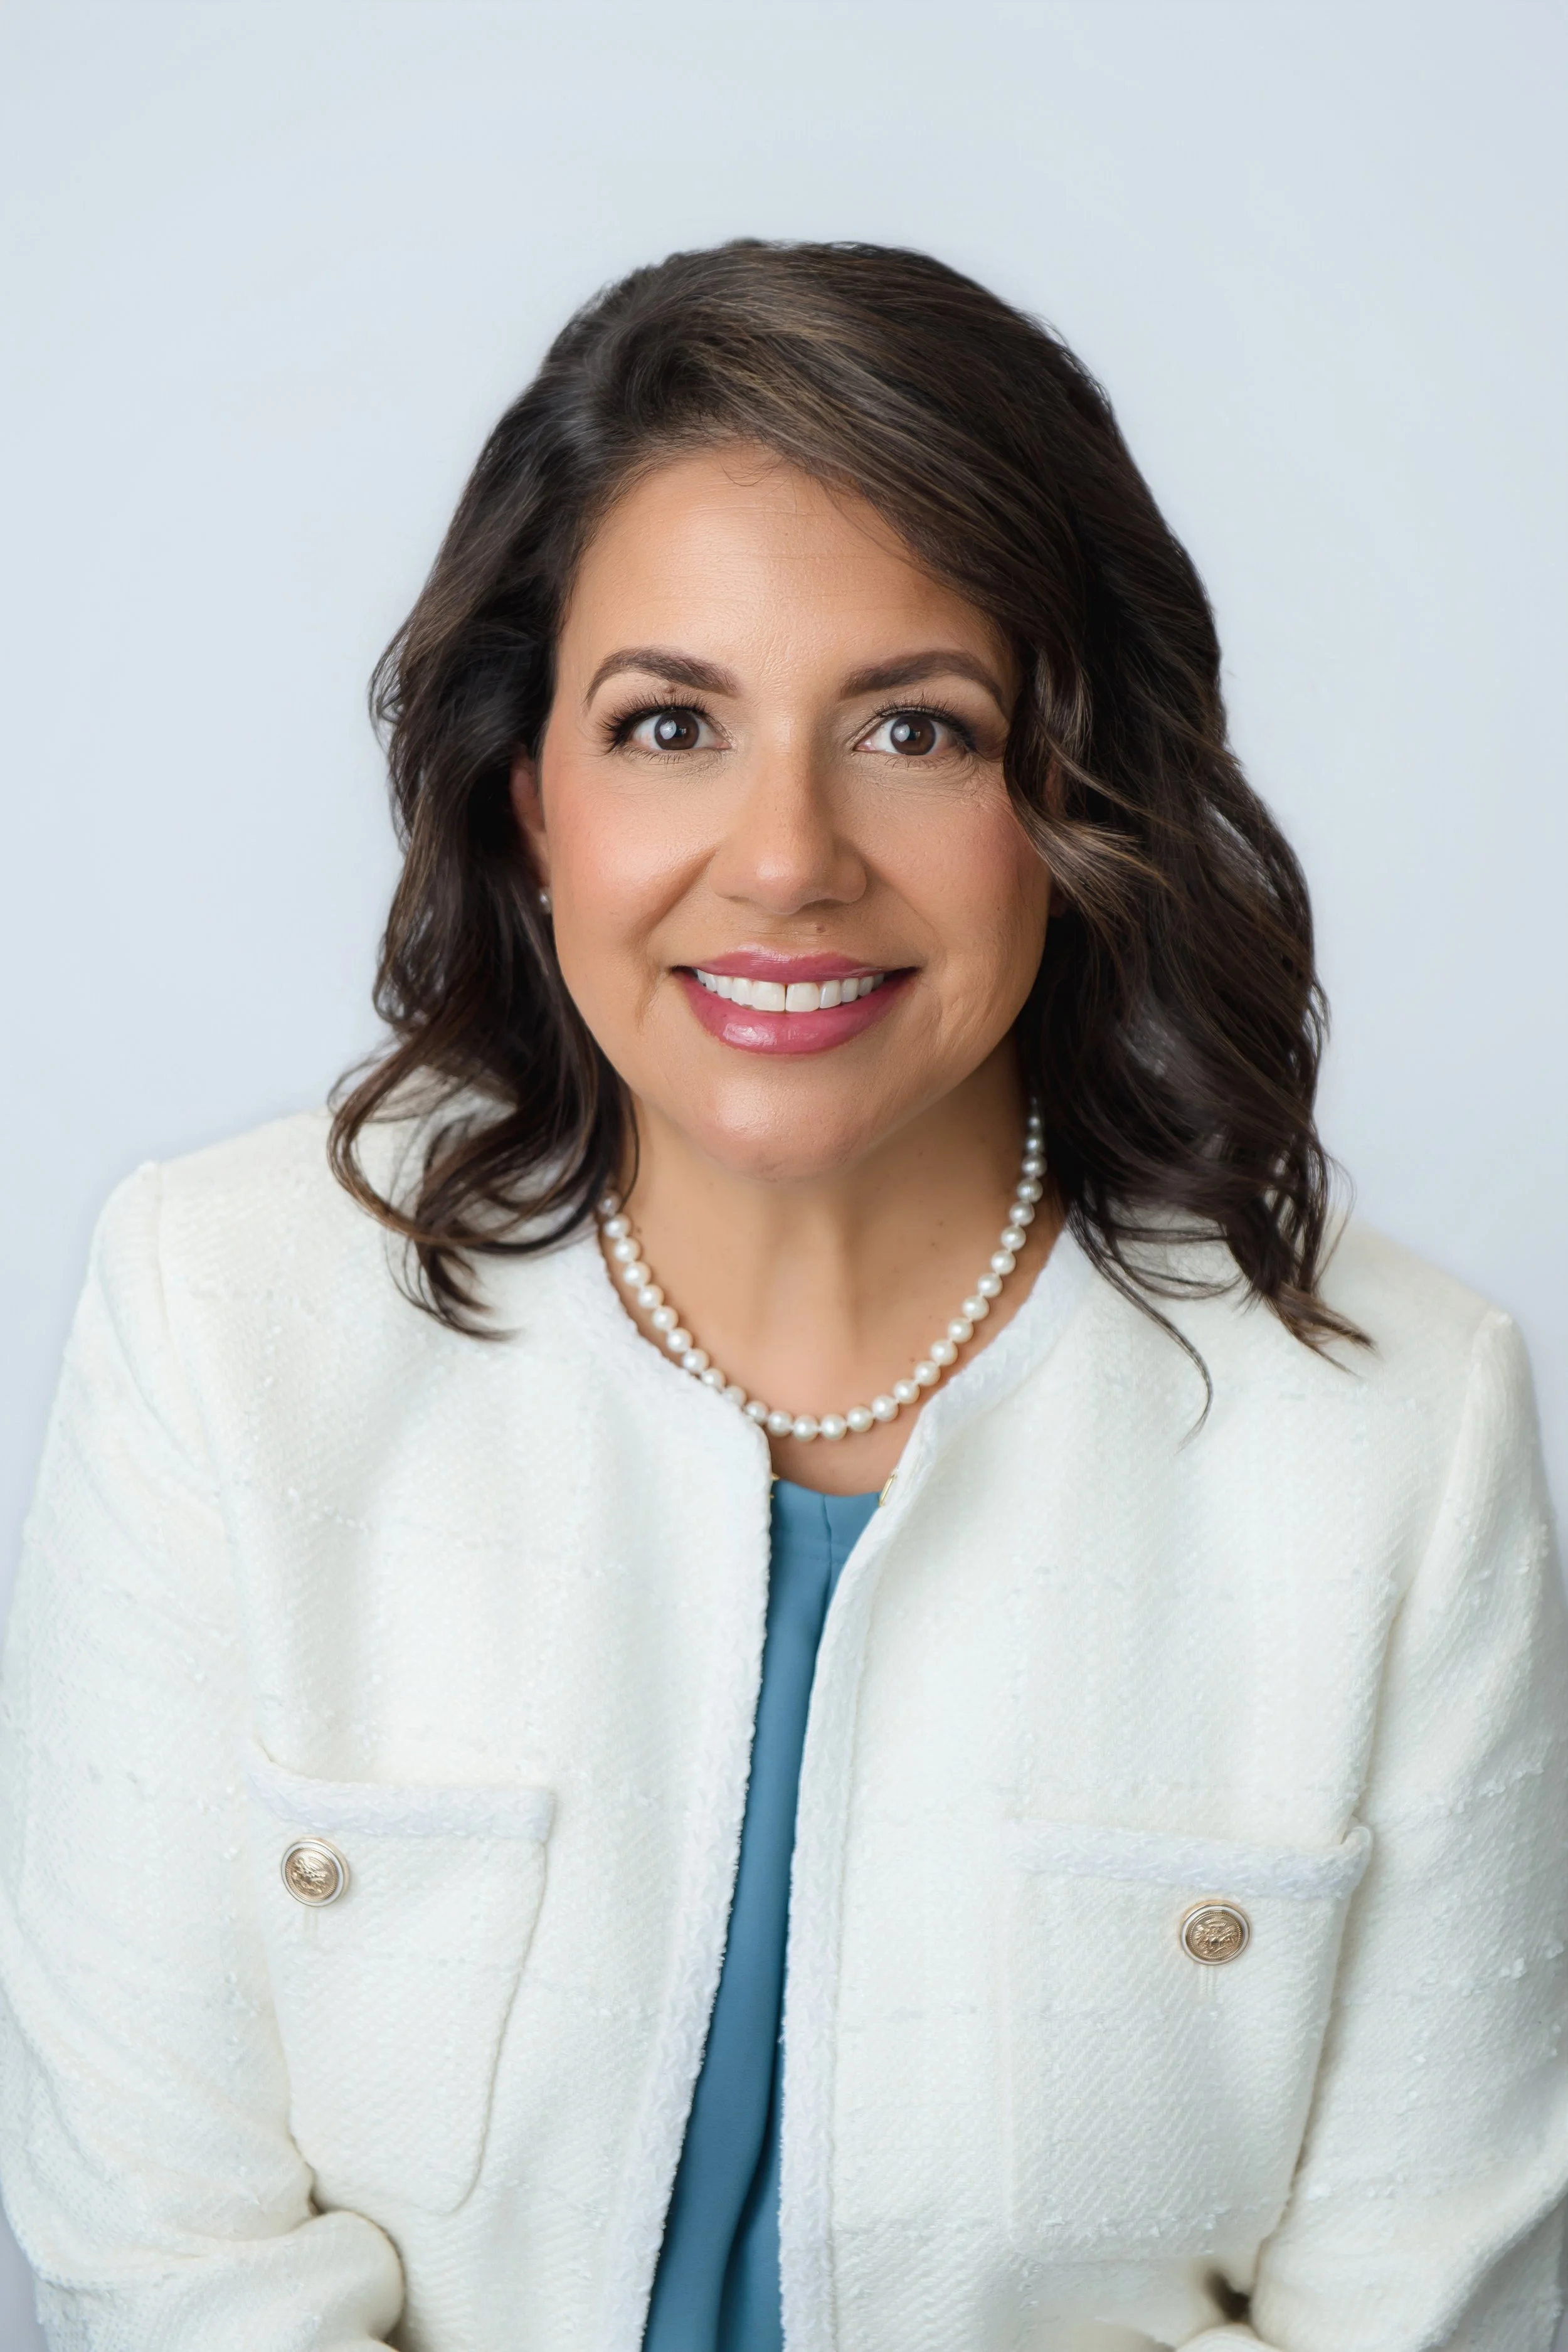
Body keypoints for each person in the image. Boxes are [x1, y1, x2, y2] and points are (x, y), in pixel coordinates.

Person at [1, 238, 1564, 2352]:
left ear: (1077, 793)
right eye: (668, 724)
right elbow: (164, 2268)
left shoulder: (1398, 1434)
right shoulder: (223, 1320)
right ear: (529, 797)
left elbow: (1420, 2314)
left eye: (917, 727)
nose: (784, 857)